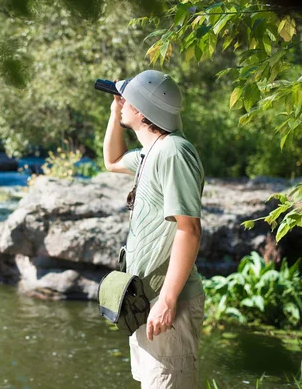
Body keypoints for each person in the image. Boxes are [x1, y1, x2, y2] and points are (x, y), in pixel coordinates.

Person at [102, 70, 205, 388]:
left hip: (166, 302)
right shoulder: (150, 153)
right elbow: (112, 159)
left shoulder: (174, 152)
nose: (122, 103)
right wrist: (114, 112)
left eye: (126, 99)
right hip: (146, 300)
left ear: (142, 110)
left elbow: (189, 229)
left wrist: (168, 300)